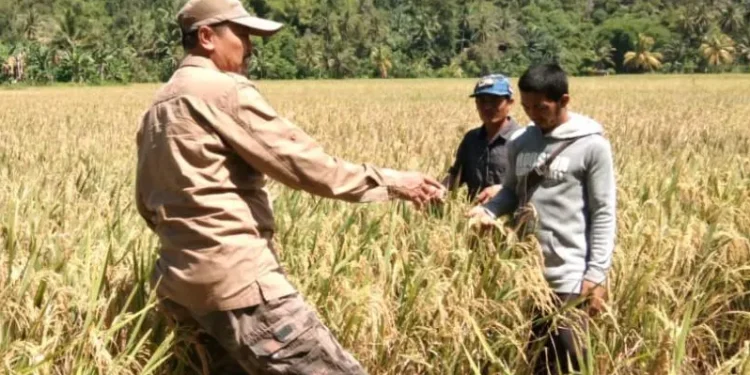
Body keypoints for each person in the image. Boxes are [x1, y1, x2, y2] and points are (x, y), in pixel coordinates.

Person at [134, 0, 445, 374]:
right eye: (243, 34)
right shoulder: (224, 90)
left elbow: (147, 203)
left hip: (180, 291)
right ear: (206, 37)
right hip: (240, 283)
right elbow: (305, 166)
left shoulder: (156, 106)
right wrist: (393, 182)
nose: (249, 47)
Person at [466, 63, 617, 375]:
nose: (533, 113)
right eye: (527, 106)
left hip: (571, 277)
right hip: (530, 275)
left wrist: (597, 273)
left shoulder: (591, 145)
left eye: (541, 106)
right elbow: (510, 191)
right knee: (536, 362)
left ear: (564, 101)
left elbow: (603, 213)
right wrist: (488, 211)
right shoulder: (520, 142)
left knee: (572, 361)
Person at [442, 74, 521, 204]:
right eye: (482, 100)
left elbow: (533, 184)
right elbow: (457, 175)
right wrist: (439, 190)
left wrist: (502, 190)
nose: (487, 107)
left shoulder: (522, 139)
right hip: (474, 217)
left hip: (510, 219)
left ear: (510, 103)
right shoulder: (471, 139)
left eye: (495, 100)